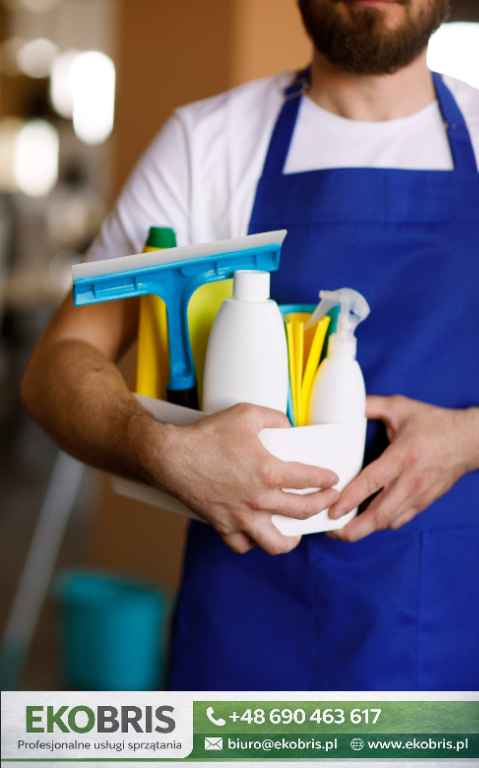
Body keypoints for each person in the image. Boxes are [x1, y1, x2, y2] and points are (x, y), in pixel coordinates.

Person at [21, 0, 479, 690]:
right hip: (249, 638)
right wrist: (159, 449)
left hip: (453, 629)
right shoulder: (207, 144)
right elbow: (56, 364)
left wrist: (468, 440)